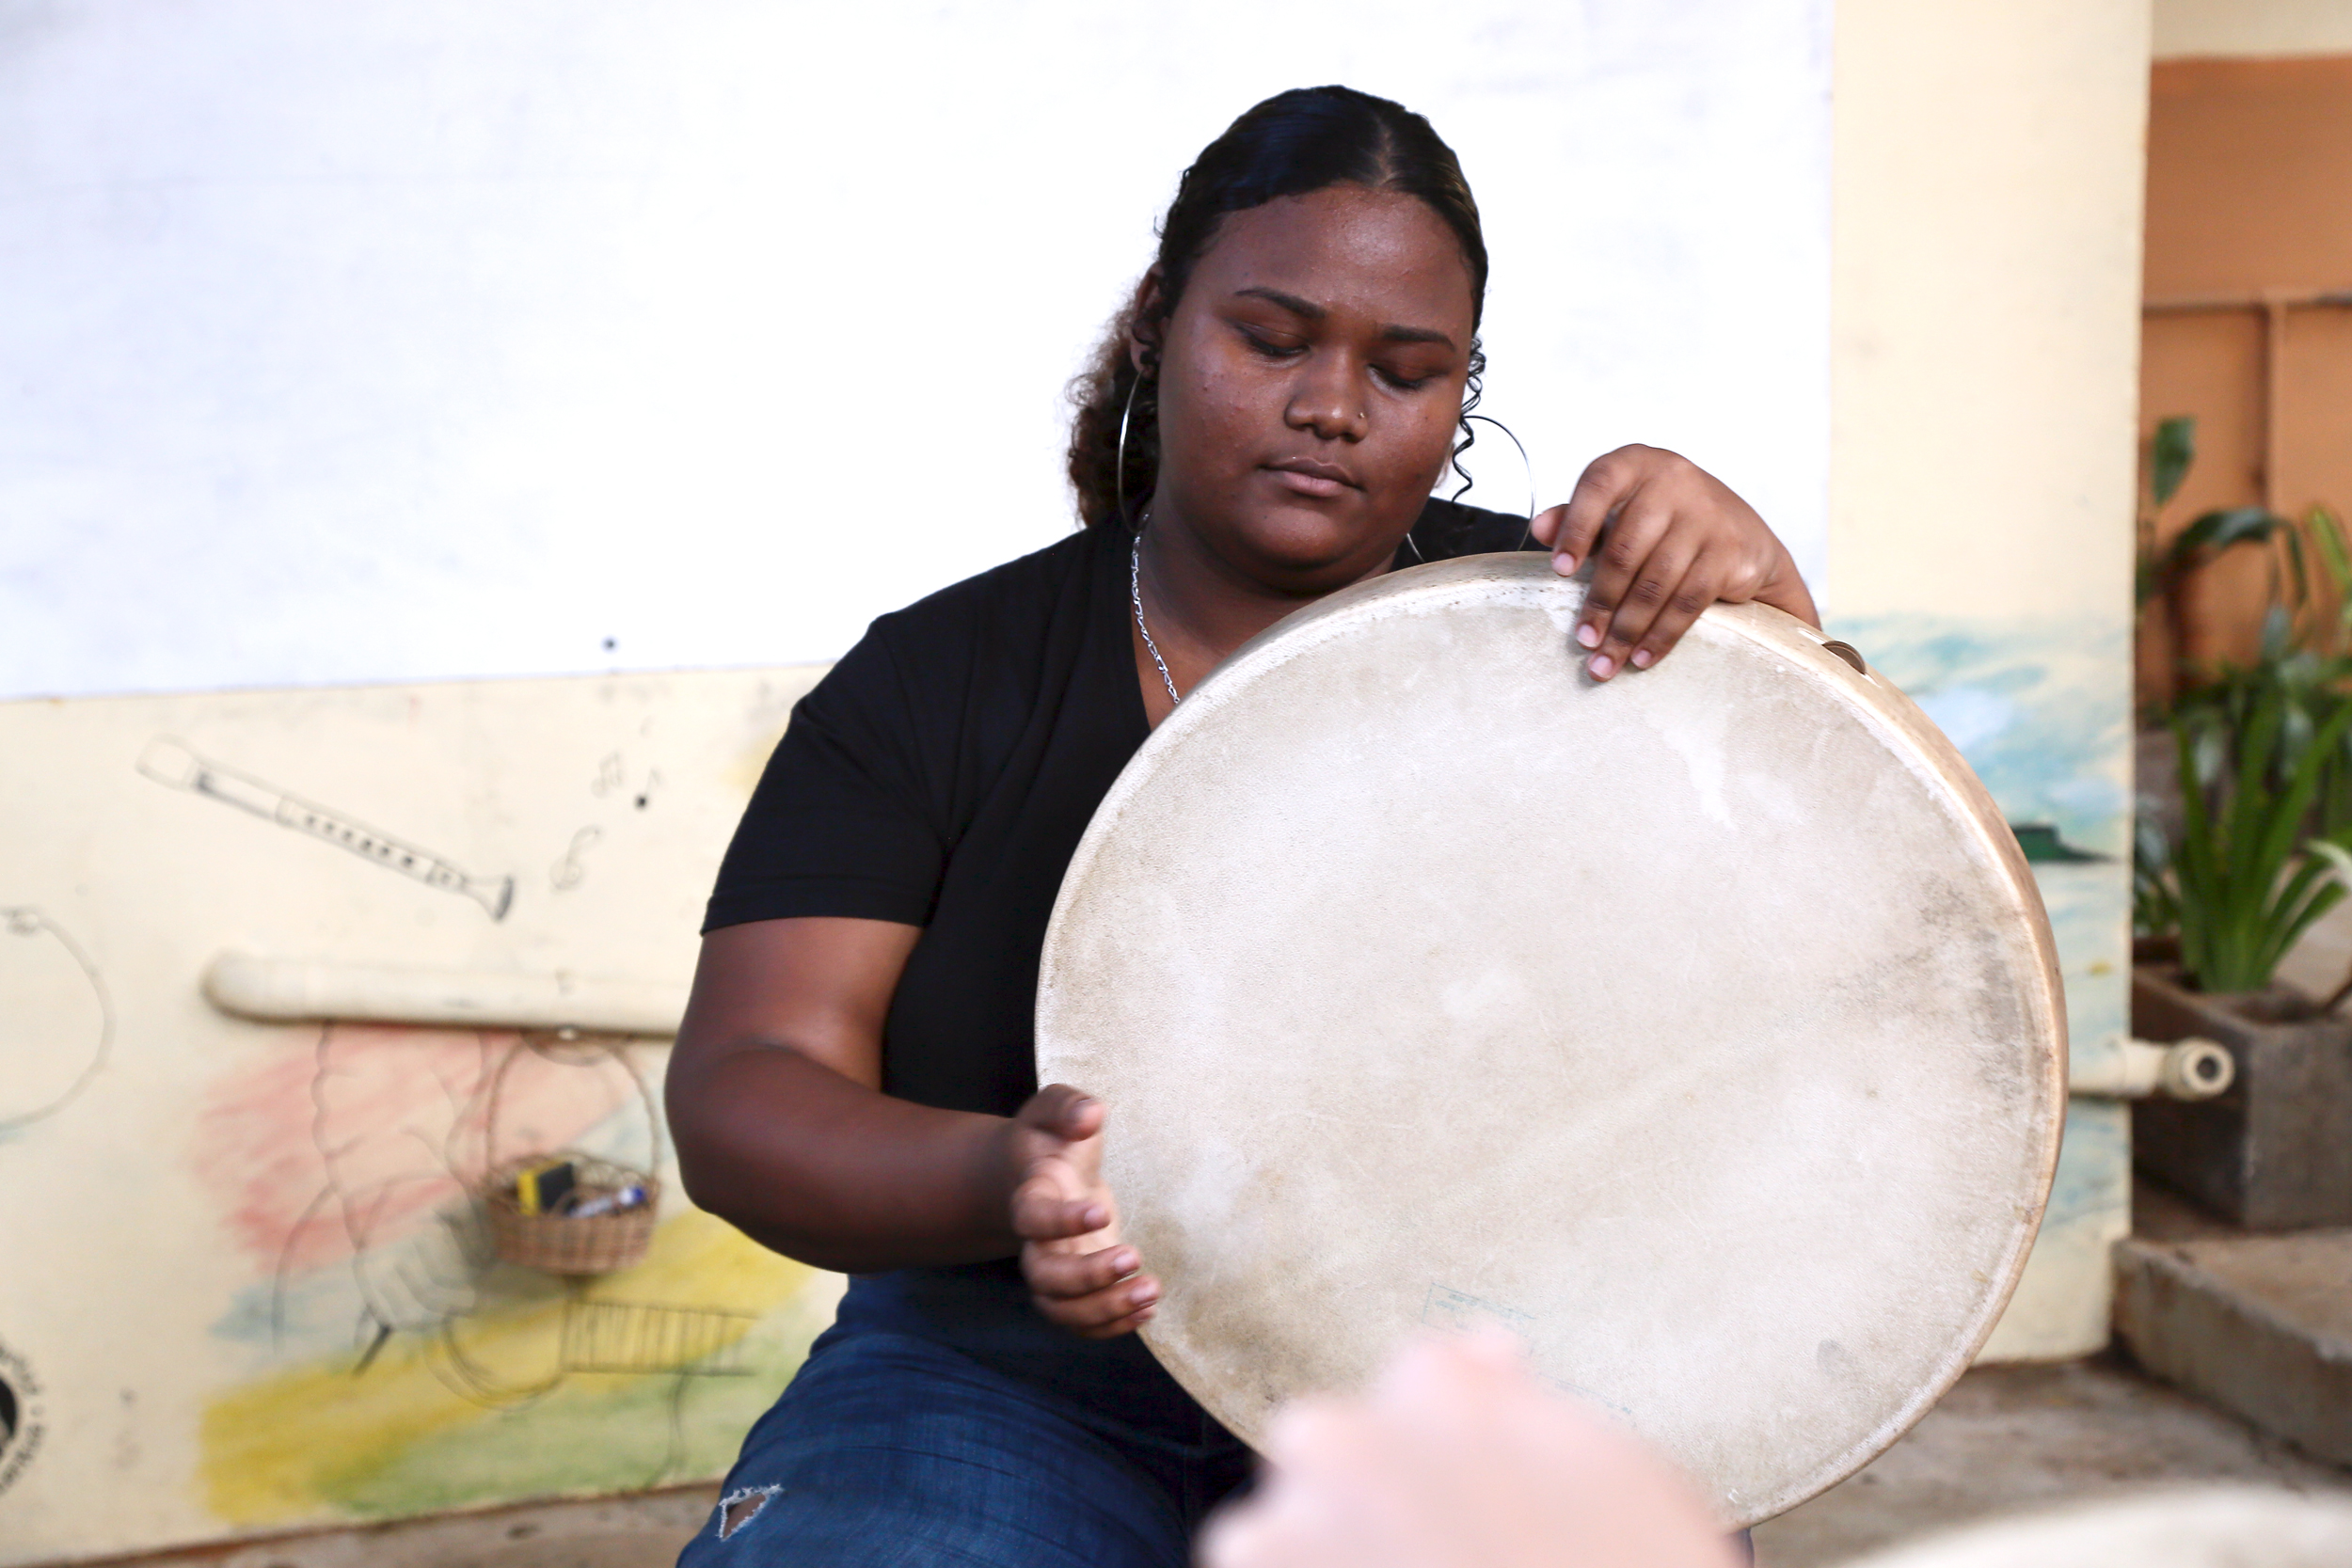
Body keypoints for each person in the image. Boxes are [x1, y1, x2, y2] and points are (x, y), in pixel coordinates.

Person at [667, 83, 1818, 1568]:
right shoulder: (942, 682)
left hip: (1474, 1377)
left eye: (1407, 371)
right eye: (1270, 341)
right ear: (1158, 321)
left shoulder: (1566, 627)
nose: (1331, 405)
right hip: (1005, 1378)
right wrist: (1002, 1180)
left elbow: (1841, 930)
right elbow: (752, 1080)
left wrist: (1767, 611)